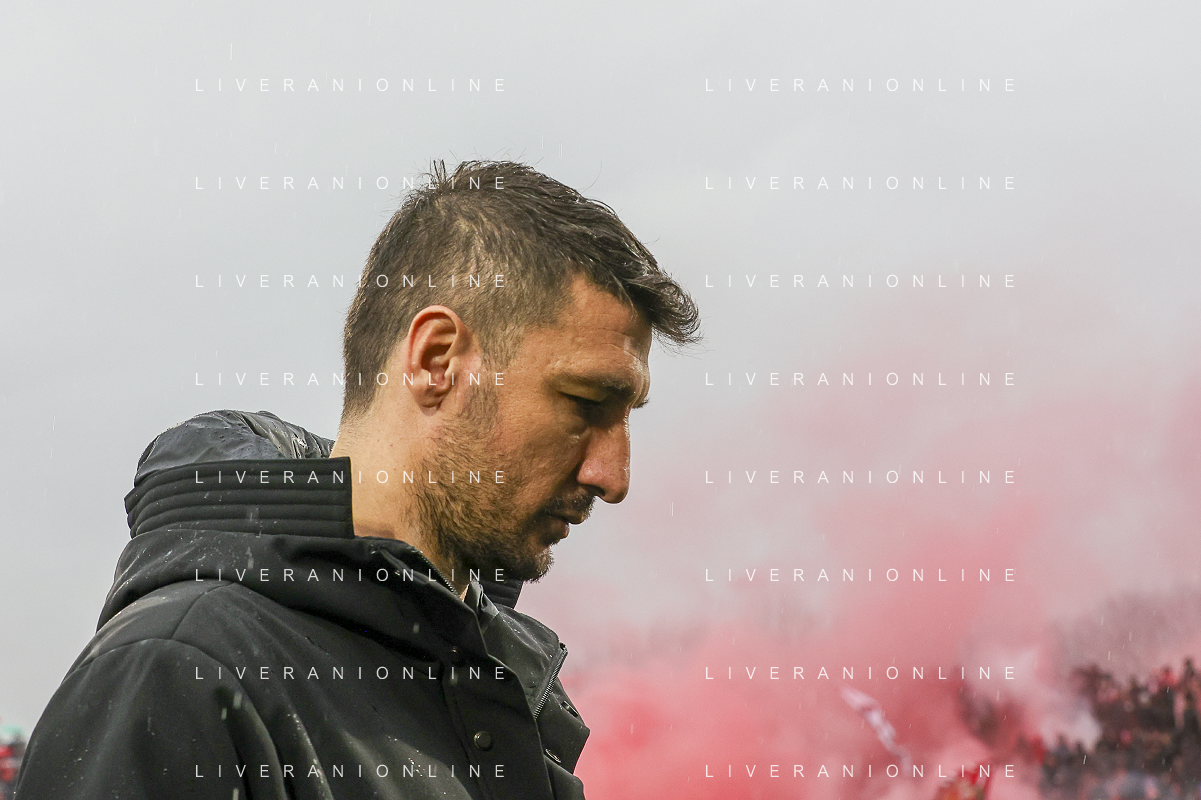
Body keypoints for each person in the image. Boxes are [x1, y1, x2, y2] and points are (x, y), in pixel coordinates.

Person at [14, 160, 700, 800]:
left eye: (627, 418)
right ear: (437, 360)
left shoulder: (498, 693)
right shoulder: (176, 674)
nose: (613, 476)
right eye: (585, 403)